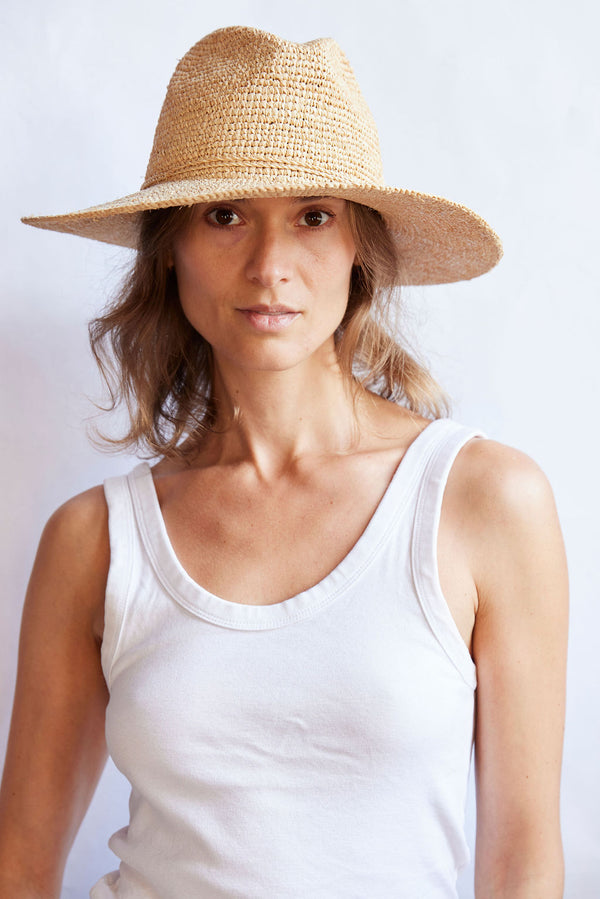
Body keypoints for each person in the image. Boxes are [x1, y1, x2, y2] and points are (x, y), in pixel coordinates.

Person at [0, 25, 568, 899]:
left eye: (313, 216)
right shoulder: (95, 539)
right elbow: (18, 867)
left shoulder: (485, 501)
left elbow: (523, 865)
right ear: (172, 249)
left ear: (359, 249)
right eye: (224, 215)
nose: (271, 267)